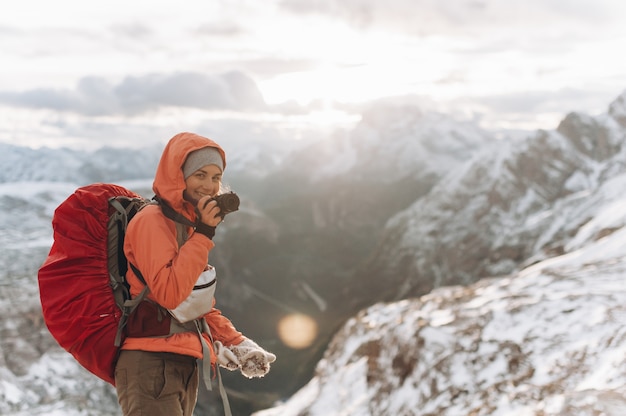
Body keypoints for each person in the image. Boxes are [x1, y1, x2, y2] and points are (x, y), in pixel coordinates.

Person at [115, 132, 276, 416]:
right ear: (178, 175)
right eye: (200, 175)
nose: (210, 186)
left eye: (216, 177)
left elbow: (195, 307)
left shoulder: (186, 227)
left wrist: (238, 343)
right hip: (152, 364)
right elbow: (169, 295)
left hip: (180, 364)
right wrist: (204, 234)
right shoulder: (152, 222)